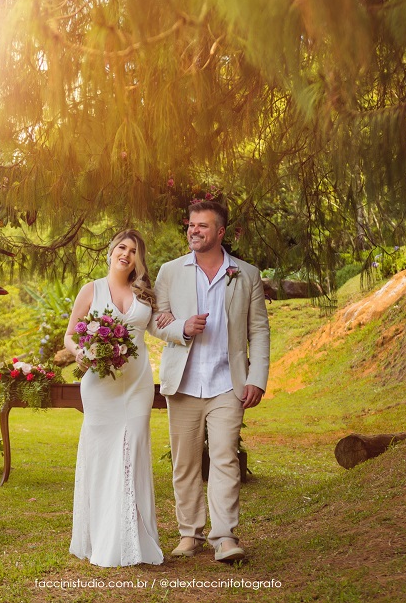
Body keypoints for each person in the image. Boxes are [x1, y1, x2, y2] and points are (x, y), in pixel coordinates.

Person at [150, 200, 270, 563]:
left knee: (224, 458)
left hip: (227, 383)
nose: (194, 230)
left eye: (203, 226)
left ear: (220, 232)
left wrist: (257, 378)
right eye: (191, 225)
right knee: (185, 463)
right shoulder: (170, 271)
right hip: (183, 382)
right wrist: (180, 328)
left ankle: (225, 536)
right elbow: (154, 319)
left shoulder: (245, 274)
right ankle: (190, 533)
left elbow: (259, 330)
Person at [65, 229, 165, 567]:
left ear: (139, 258)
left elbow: (159, 326)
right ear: (111, 252)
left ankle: (136, 537)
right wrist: (80, 352)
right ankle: (103, 537)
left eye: (134, 250)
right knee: (103, 455)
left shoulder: (146, 293)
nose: (127, 254)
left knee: (134, 452)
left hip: (137, 384)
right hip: (100, 386)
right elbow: (70, 334)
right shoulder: (91, 289)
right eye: (122, 247)